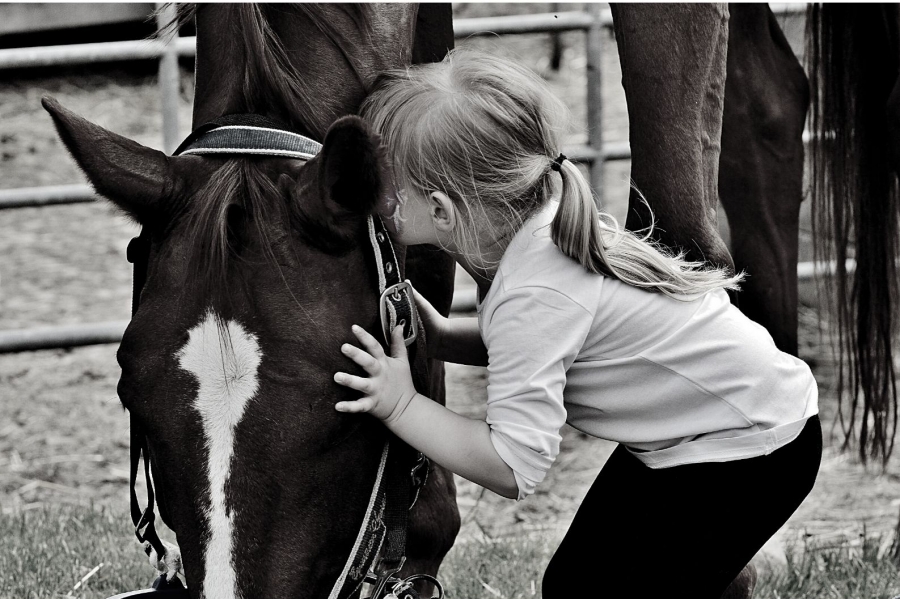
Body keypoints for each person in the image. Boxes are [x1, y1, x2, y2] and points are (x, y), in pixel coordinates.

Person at [332, 49, 821, 598]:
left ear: (443, 210)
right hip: (716, 429)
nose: (372, 203)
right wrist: (444, 338)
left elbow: (513, 464)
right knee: (576, 584)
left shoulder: (536, 290)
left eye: (383, 191)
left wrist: (401, 406)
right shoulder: (541, 223)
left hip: (750, 451)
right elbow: (550, 348)